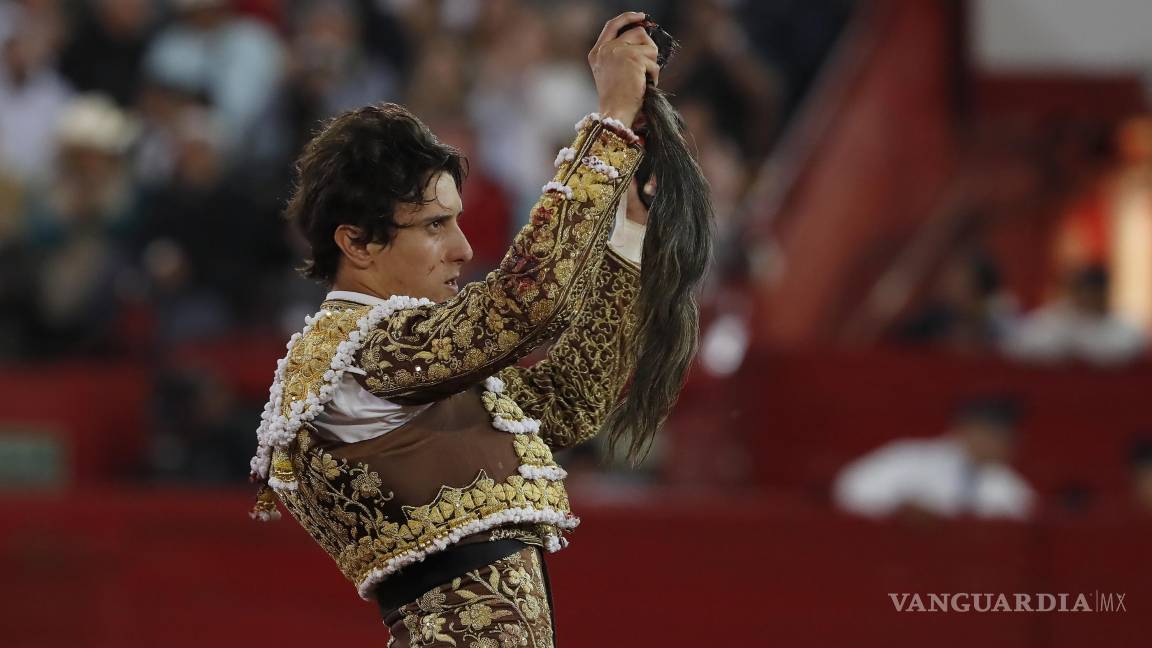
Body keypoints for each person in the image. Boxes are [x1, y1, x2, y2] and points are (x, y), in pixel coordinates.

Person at [249, 12, 659, 646]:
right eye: (435, 225)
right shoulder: (357, 355)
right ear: (357, 242)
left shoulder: (409, 367)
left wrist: (628, 228)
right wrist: (608, 121)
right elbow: (522, 304)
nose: (465, 249)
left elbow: (572, 401)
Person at [833, 397, 1035, 521]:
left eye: (1007, 436)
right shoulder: (908, 457)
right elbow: (852, 489)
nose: (1001, 443)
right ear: (965, 429)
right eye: (992, 433)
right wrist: (897, 509)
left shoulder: (1011, 487)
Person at [1002, 265, 1147, 366]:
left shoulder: (1124, 326)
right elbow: (1018, 346)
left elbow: (1131, 350)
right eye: (1084, 290)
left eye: (1096, 292)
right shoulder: (1052, 319)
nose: (1089, 297)